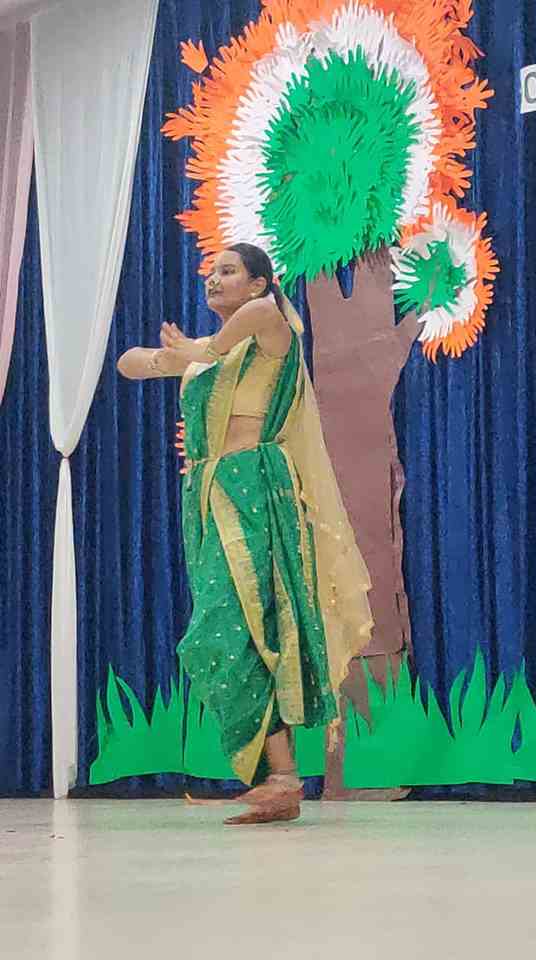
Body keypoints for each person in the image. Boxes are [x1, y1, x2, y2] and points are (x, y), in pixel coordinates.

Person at [117, 243, 373, 824]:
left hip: (254, 489)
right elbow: (128, 362)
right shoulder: (208, 356)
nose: (213, 279)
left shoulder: (270, 333)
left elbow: (261, 314)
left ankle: (281, 778)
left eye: (228, 271)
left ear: (259, 283)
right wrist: (175, 356)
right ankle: (277, 779)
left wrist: (200, 350)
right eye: (210, 272)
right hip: (209, 496)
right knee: (231, 632)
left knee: (243, 623)